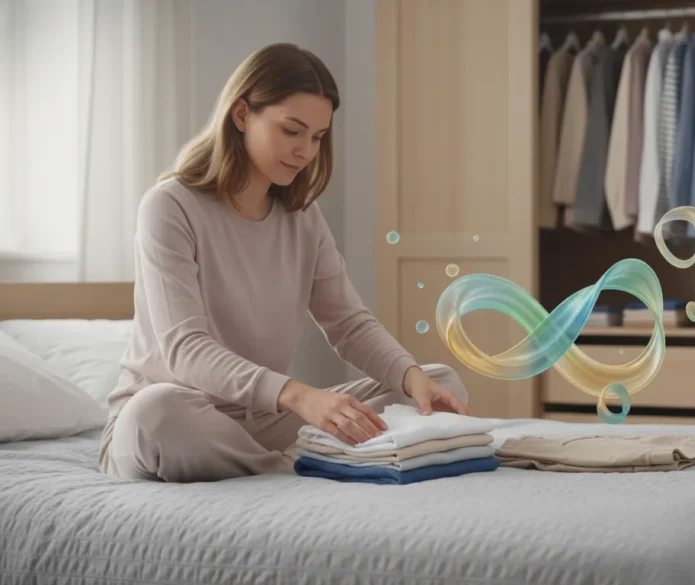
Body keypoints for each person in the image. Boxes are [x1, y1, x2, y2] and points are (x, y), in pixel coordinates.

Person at [98, 43, 471, 484]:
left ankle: (285, 465)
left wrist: (409, 376)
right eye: (292, 131)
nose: (305, 151)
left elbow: (349, 324)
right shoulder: (169, 206)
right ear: (241, 115)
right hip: (179, 418)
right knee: (156, 414)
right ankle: (301, 467)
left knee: (438, 383)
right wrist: (299, 396)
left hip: (261, 421)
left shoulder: (302, 218)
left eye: (317, 137)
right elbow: (186, 350)